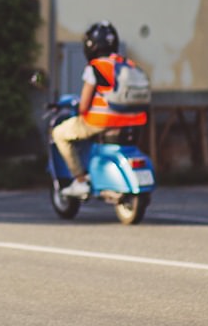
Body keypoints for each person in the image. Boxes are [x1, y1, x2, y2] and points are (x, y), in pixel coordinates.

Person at [52, 21, 149, 199]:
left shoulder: (96, 67)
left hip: (103, 122)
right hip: (134, 121)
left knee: (59, 133)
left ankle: (80, 180)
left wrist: (83, 109)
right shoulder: (127, 64)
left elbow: (84, 105)